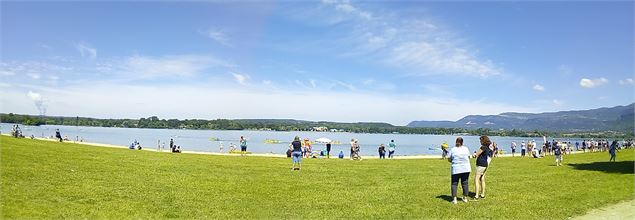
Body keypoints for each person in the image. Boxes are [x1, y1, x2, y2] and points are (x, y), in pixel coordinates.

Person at [448, 137, 471, 204]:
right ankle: (465, 198)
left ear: (456, 142)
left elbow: (449, 159)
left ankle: (454, 199)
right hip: (466, 168)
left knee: (454, 184)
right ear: (462, 142)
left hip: (456, 169)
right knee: (465, 183)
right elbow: (469, 157)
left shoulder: (453, 149)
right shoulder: (466, 148)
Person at [473, 136, 493, 200]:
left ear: (483, 141)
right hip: (485, 164)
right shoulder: (487, 147)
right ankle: (482, 194)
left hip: (481, 164)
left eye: (480, 140)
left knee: (476, 179)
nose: (480, 141)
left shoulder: (483, 147)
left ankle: (476, 195)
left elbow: (477, 155)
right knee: (482, 179)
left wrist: (474, 154)